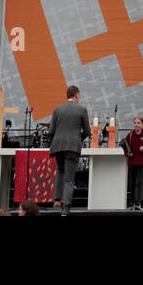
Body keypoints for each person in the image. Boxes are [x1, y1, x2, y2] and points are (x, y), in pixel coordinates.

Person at [47, 84, 90, 214]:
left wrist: (57, 140)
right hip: (72, 147)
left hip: (58, 146)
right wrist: (78, 139)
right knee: (69, 179)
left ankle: (56, 200)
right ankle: (65, 208)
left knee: (60, 171)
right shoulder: (82, 109)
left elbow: (51, 131)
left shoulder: (57, 109)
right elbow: (87, 131)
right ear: (77, 95)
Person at [121, 116, 143, 210]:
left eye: (138, 123)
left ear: (142, 124)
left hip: (142, 163)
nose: (136, 124)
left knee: (139, 183)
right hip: (132, 162)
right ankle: (131, 203)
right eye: (135, 123)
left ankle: (138, 203)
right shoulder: (130, 135)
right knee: (132, 183)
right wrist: (127, 153)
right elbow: (124, 144)